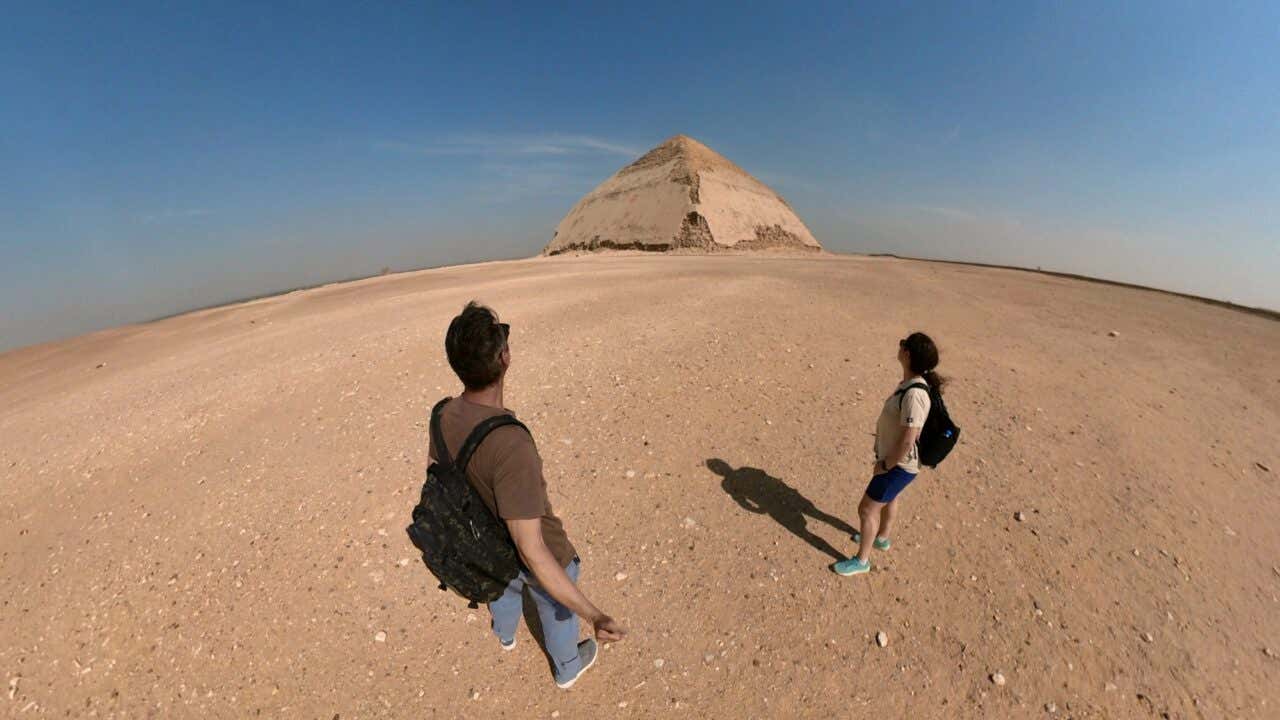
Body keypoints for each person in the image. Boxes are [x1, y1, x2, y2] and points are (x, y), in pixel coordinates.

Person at [432, 301, 625, 688]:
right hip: (527, 548)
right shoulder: (509, 443)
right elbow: (533, 551)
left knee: (503, 587)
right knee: (554, 600)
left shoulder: (441, 413)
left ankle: (504, 635)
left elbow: (436, 475)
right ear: (504, 357)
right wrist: (595, 614)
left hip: (484, 543)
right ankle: (567, 667)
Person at [833, 332, 946, 577]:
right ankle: (881, 538)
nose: (900, 346)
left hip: (898, 465)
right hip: (899, 462)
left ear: (908, 354)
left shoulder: (916, 394)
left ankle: (862, 561)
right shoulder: (910, 383)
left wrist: (885, 465)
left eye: (903, 344)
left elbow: (908, 440)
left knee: (867, 509)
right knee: (890, 499)